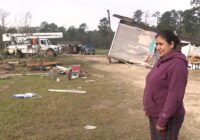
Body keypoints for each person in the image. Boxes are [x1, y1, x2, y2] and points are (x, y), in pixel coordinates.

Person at [143, 30, 188, 140]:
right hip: (155, 113)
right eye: (156, 44)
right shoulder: (161, 60)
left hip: (167, 117)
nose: (158, 47)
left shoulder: (177, 64)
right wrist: (148, 107)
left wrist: (163, 119)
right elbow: (152, 84)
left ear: (171, 44)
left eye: (161, 44)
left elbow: (175, 96)